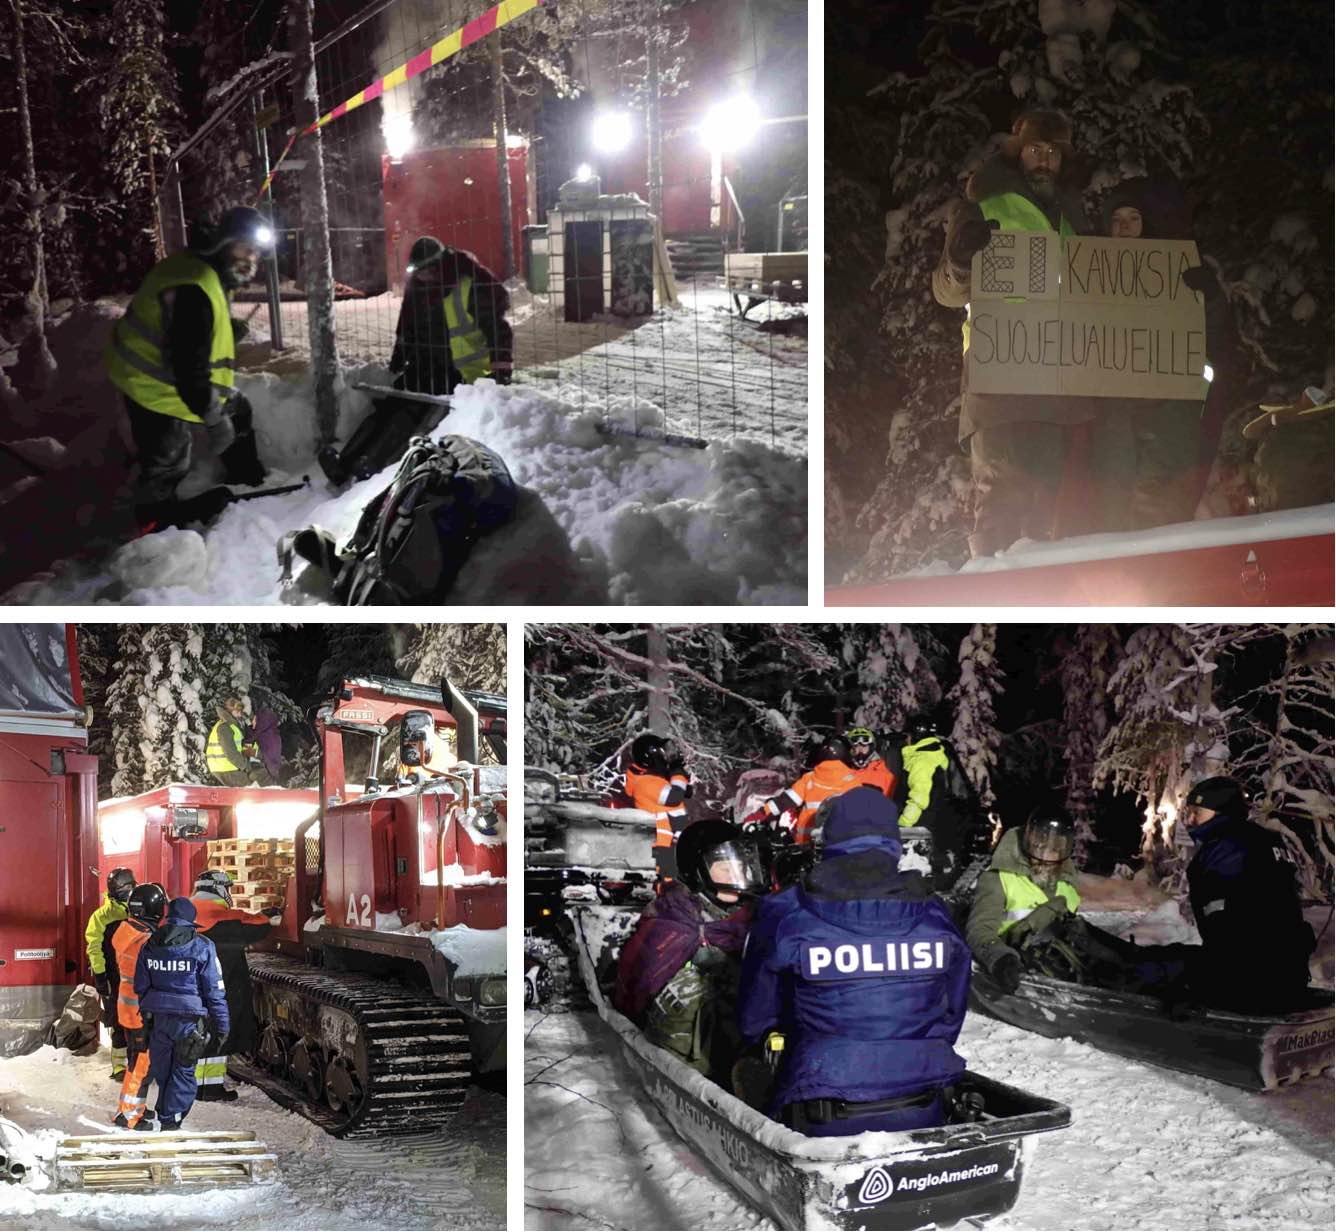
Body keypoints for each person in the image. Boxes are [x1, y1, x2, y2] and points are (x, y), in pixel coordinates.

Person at [737, 790, 971, 1135]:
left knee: (746, 1067)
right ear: (894, 844)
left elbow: (754, 1020)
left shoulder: (787, 911)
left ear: (829, 841)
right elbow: (951, 1016)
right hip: (925, 1104)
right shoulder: (935, 914)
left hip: (818, 1111)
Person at [932, 109, 1093, 558]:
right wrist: (962, 260)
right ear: (1018, 154)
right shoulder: (981, 206)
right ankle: (992, 589)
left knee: (1048, 506)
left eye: (1053, 153)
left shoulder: (1072, 214)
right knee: (1004, 495)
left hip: (1057, 378)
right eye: (1035, 151)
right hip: (998, 372)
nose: (1044, 160)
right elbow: (945, 291)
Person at [1081, 175, 1238, 535]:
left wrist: (1210, 299)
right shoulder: (1090, 279)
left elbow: (1218, 340)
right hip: (1114, 424)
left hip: (1168, 420)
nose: (1124, 228)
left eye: (1133, 218)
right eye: (1116, 220)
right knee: (1113, 522)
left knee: (1162, 522)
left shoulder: (1180, 274)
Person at [104, 205, 273, 526]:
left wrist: (223, 329)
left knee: (239, 409)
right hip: (152, 384)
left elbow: (188, 330)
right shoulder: (194, 285)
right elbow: (188, 370)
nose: (251, 259)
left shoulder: (202, 267)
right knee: (168, 459)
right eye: (246, 248)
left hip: (163, 370)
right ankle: (155, 521)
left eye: (256, 253)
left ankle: (246, 477)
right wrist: (213, 418)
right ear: (225, 241)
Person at [319, 238, 514, 486]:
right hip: (424, 363)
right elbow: (406, 327)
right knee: (391, 404)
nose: (422, 277)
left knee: (411, 411)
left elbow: (499, 330)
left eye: (426, 271)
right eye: (418, 273)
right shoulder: (419, 289)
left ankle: (371, 462)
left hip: (460, 370)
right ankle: (344, 461)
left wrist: (501, 369)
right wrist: (399, 360)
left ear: (439, 265)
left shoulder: (470, 285)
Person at [613, 819, 763, 1081]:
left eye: (740, 867)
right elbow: (636, 986)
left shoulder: (758, 915)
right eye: (725, 869)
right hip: (690, 1050)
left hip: (748, 1040)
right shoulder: (674, 922)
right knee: (695, 987)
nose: (737, 876)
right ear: (698, 872)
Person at [1175, 776, 1317, 1012]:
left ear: (1220, 811)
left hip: (1248, 982)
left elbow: (1221, 930)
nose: (1190, 820)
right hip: (1290, 973)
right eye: (1188, 812)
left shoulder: (1222, 849)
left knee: (1169, 964)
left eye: (1197, 812)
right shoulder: (1267, 839)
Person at [133, 897, 230, 1132]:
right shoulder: (202, 946)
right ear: (191, 920)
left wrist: (147, 1015)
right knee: (184, 1070)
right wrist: (222, 1026)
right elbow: (214, 991)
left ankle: (166, 1113)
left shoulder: (149, 945)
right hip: (189, 1022)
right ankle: (171, 1119)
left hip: (158, 1020)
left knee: (163, 1069)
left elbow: (140, 985)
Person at [965, 811, 1083, 994]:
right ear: (1027, 844)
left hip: (1058, 960)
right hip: (1012, 959)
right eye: (1039, 847)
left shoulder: (1067, 888)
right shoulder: (1000, 880)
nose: (1045, 856)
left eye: (1053, 850)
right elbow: (979, 930)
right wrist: (1001, 959)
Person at [190, 869, 277, 1101]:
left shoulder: (184, 912)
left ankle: (198, 1086)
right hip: (221, 987)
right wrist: (269, 916)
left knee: (200, 1035)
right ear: (218, 889)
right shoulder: (223, 917)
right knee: (218, 1036)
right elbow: (252, 925)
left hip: (192, 989)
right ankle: (212, 1088)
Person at [110, 882, 167, 1129]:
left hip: (128, 1008)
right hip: (141, 1011)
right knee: (141, 1063)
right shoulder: (146, 940)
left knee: (137, 1060)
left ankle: (132, 1107)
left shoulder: (126, 931)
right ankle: (130, 1114)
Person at [899, 715, 974, 889]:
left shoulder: (922, 761)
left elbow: (919, 797)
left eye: (908, 735)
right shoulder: (935, 754)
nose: (906, 740)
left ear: (916, 736)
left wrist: (903, 824)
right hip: (936, 819)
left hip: (922, 821)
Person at [756, 736, 860, 845]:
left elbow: (785, 801)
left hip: (806, 848)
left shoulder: (810, 778)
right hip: (840, 847)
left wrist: (760, 814)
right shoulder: (853, 782)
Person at [86, 867, 136, 1080]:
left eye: (132, 885)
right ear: (114, 889)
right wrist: (100, 976)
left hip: (138, 975)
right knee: (117, 1019)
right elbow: (94, 947)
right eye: (125, 886)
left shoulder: (139, 910)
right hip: (114, 977)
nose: (130, 889)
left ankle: (139, 1062)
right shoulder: (101, 916)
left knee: (140, 1019)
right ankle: (118, 1066)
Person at [623, 733, 692, 883]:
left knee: (675, 883)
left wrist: (677, 777)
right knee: (667, 885)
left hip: (670, 842)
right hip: (662, 844)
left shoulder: (654, 779)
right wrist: (677, 772)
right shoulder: (645, 783)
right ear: (653, 756)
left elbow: (680, 792)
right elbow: (674, 798)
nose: (667, 757)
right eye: (663, 753)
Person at [207, 696, 256, 787]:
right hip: (225, 767)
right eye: (237, 711)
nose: (240, 714)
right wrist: (247, 766)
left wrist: (254, 758)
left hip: (227, 767)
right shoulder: (225, 727)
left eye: (240, 711)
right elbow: (231, 753)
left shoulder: (233, 726)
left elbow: (241, 746)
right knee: (252, 788)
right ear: (230, 711)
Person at [845, 726, 899, 797]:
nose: (860, 750)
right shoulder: (841, 770)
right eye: (856, 746)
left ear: (871, 748)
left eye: (864, 746)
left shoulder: (885, 776)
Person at [249, 706, 282, 786]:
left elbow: (268, 757)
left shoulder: (268, 736)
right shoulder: (263, 734)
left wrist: (246, 751)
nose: (252, 722)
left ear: (261, 721)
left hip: (265, 775)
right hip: (264, 773)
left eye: (254, 719)